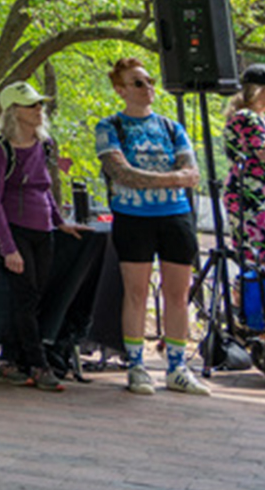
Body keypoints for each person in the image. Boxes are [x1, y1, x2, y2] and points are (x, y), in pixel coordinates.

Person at [95, 55, 209, 396]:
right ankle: (136, 365)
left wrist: (160, 180)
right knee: (137, 291)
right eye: (138, 83)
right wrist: (171, 177)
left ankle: (177, 367)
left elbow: (192, 174)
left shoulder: (172, 127)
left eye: (150, 82)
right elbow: (122, 172)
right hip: (133, 218)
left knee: (178, 294)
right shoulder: (109, 127)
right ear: (121, 90)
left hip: (175, 216)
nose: (148, 89)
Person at [0, 81, 84, 390]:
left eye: (39, 104)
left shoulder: (44, 145)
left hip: (44, 231)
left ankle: (9, 358)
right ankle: (39, 365)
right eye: (32, 105)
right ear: (14, 112)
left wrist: (60, 221)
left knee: (32, 297)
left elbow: (44, 189)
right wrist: (8, 247)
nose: (39, 109)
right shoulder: (0, 150)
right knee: (26, 298)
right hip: (16, 231)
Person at [225, 66, 265, 275]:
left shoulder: (252, 117)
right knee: (254, 261)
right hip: (249, 197)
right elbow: (261, 153)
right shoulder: (247, 117)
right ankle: (248, 306)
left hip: (253, 194)